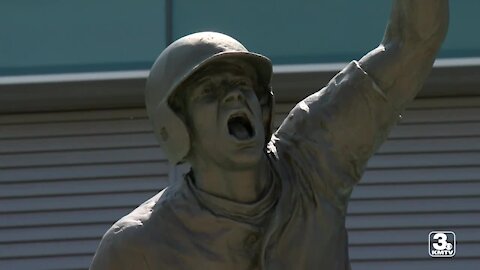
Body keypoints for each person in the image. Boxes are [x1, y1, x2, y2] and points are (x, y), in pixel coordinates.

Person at [90, 1, 448, 269]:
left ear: (264, 107)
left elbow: (411, 44)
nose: (233, 95)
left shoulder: (314, 159)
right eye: (209, 91)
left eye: (242, 85)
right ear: (178, 127)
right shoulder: (136, 247)